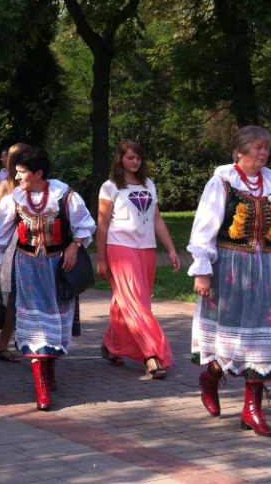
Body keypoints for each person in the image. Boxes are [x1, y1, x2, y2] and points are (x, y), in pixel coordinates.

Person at [187, 125, 271, 438]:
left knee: (262, 341)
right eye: (257, 148)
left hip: (264, 270)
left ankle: (252, 409)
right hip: (230, 270)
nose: (263, 153)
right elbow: (203, 228)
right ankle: (210, 378)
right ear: (240, 151)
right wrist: (203, 271)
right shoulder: (221, 183)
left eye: (266, 148)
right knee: (229, 340)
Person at [0, 146, 96, 411]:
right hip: (27, 269)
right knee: (35, 327)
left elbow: (86, 226)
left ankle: (49, 367)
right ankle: (40, 386)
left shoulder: (64, 196)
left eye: (21, 173)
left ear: (38, 173)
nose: (17, 178)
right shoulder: (14, 200)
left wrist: (75, 246)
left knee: (53, 325)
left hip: (57, 270)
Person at [95, 140, 181, 379]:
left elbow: (157, 220)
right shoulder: (110, 187)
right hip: (120, 247)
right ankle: (151, 354)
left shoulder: (148, 184)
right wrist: (101, 259)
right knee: (136, 303)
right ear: (120, 158)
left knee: (130, 300)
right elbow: (102, 224)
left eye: (138, 158)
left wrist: (171, 249)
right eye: (130, 157)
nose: (134, 162)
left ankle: (111, 344)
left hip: (146, 248)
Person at [0, 142, 32, 363]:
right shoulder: (3, 188)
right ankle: (2, 345)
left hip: (33, 244)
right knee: (12, 299)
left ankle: (30, 342)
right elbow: (0, 226)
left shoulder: (35, 186)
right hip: (12, 246)